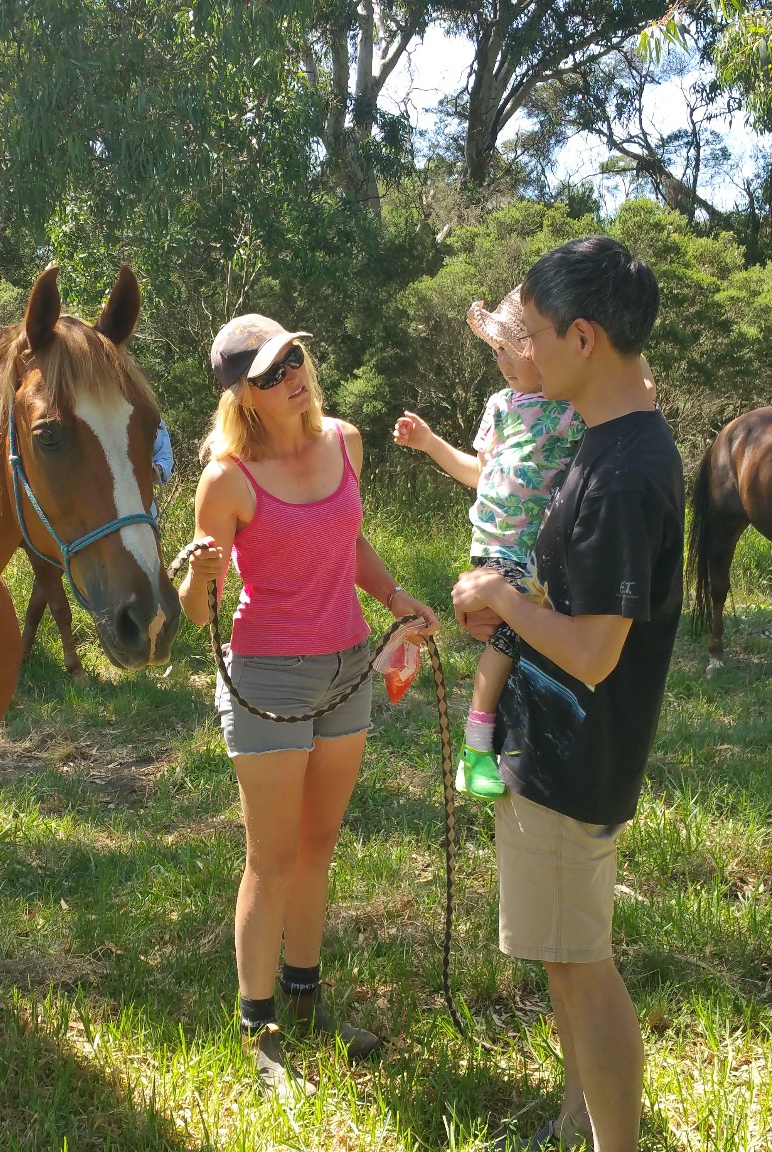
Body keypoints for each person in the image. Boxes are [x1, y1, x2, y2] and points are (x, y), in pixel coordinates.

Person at [176, 314, 443, 1100]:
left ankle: (306, 1001)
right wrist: (197, 574)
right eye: (270, 371)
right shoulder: (227, 479)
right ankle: (258, 1032)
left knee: (319, 846)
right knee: (273, 856)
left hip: (348, 666)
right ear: (244, 396)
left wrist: (397, 597)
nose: (292, 373)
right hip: (269, 677)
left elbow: (350, 543)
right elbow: (199, 613)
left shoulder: (345, 442)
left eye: (294, 356)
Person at [450, 237, 678, 1151]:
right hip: (550, 746)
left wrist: (501, 598)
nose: (523, 352)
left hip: (576, 757)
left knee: (584, 968)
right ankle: (579, 1116)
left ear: (584, 338)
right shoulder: (610, 438)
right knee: (565, 957)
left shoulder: (623, 474)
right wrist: (508, 616)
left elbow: (591, 651)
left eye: (535, 334)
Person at [393, 287, 583, 801]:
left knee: (525, 637)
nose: (501, 361)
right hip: (497, 542)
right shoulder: (500, 405)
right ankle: (476, 746)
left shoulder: (570, 408)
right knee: (510, 635)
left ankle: (503, 740)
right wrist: (430, 442)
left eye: (511, 349)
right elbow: (480, 474)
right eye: (496, 350)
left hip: (541, 548)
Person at [19, 419, 175, 675]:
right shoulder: (98, 422)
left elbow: (166, 460)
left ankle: (148, 637)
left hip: (141, 515)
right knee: (48, 581)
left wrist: (153, 471)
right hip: (103, 517)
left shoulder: (154, 424)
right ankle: (34, 648)